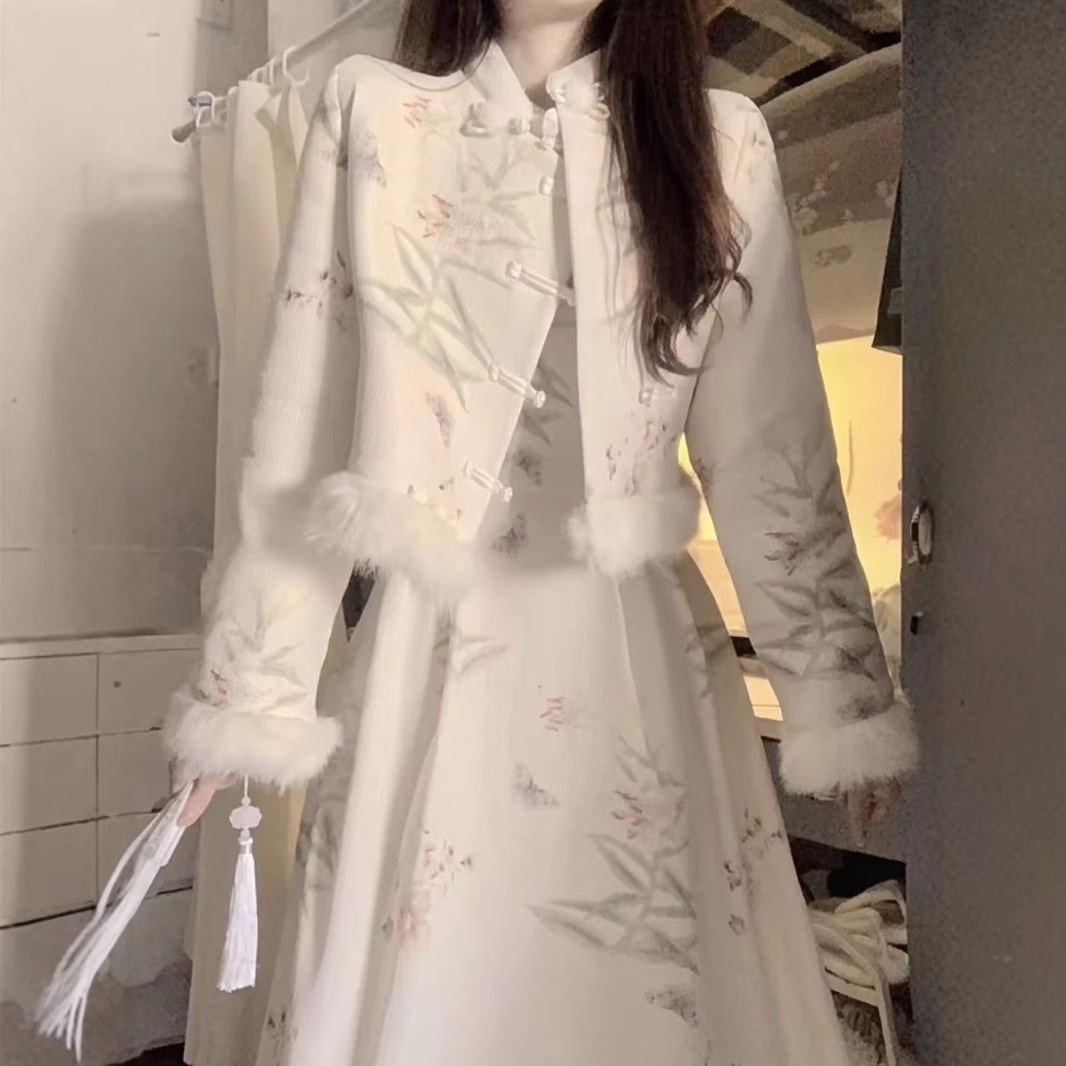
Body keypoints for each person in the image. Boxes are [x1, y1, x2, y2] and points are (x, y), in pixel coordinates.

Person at [166, 1, 918, 1063]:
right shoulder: (373, 115)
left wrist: (838, 696)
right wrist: (249, 689)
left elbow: (768, 444)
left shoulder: (723, 143)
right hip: (432, 661)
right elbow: (299, 428)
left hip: (639, 666)